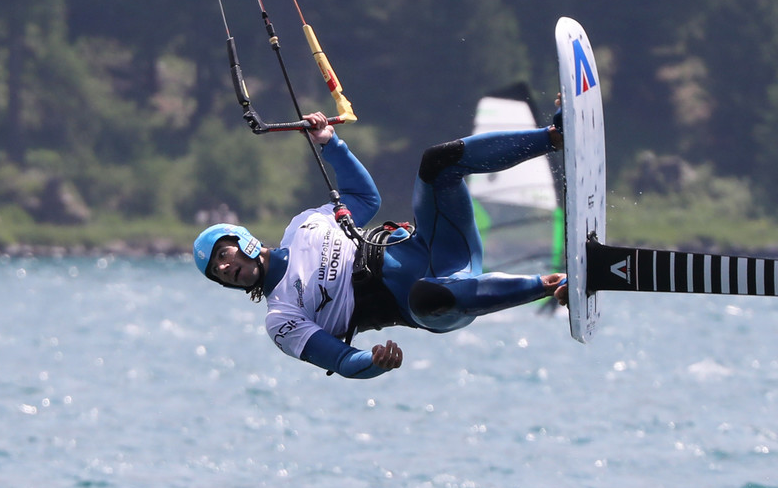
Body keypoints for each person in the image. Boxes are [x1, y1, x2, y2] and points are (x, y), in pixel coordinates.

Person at [192, 110, 567, 378]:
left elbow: (365, 199)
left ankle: (554, 136)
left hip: (441, 247)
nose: (225, 268)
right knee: (428, 294)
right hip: (434, 305)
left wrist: (330, 143)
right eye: (217, 273)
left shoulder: (303, 224)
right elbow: (340, 360)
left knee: (437, 162)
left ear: (244, 242)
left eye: (223, 255)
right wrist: (372, 362)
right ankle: (554, 285)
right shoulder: (281, 320)